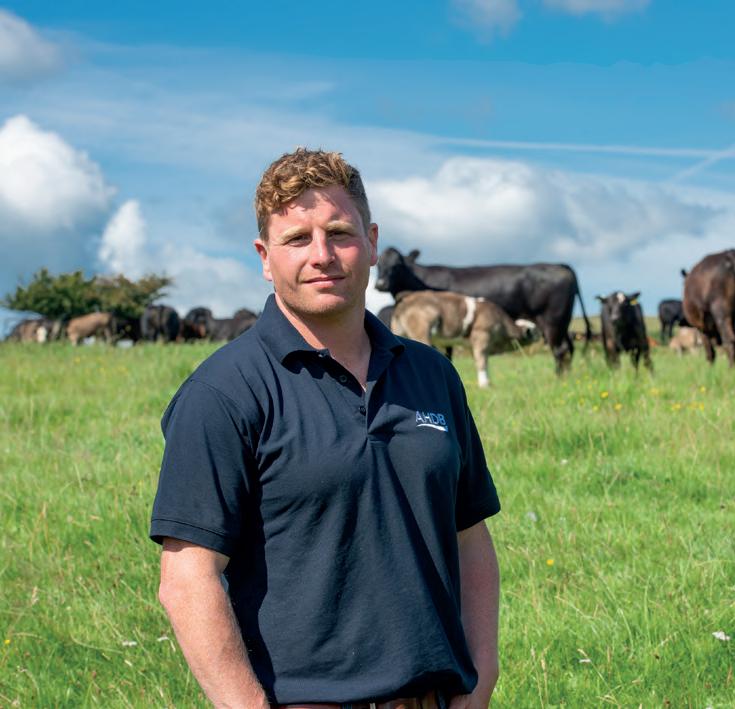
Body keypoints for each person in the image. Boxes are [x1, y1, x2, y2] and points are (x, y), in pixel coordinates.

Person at [150, 148, 500, 708]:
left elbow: (469, 536)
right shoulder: (222, 393)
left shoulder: (433, 375)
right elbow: (187, 578)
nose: (322, 255)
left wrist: (481, 679)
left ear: (372, 242)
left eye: (339, 233)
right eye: (297, 239)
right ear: (265, 257)